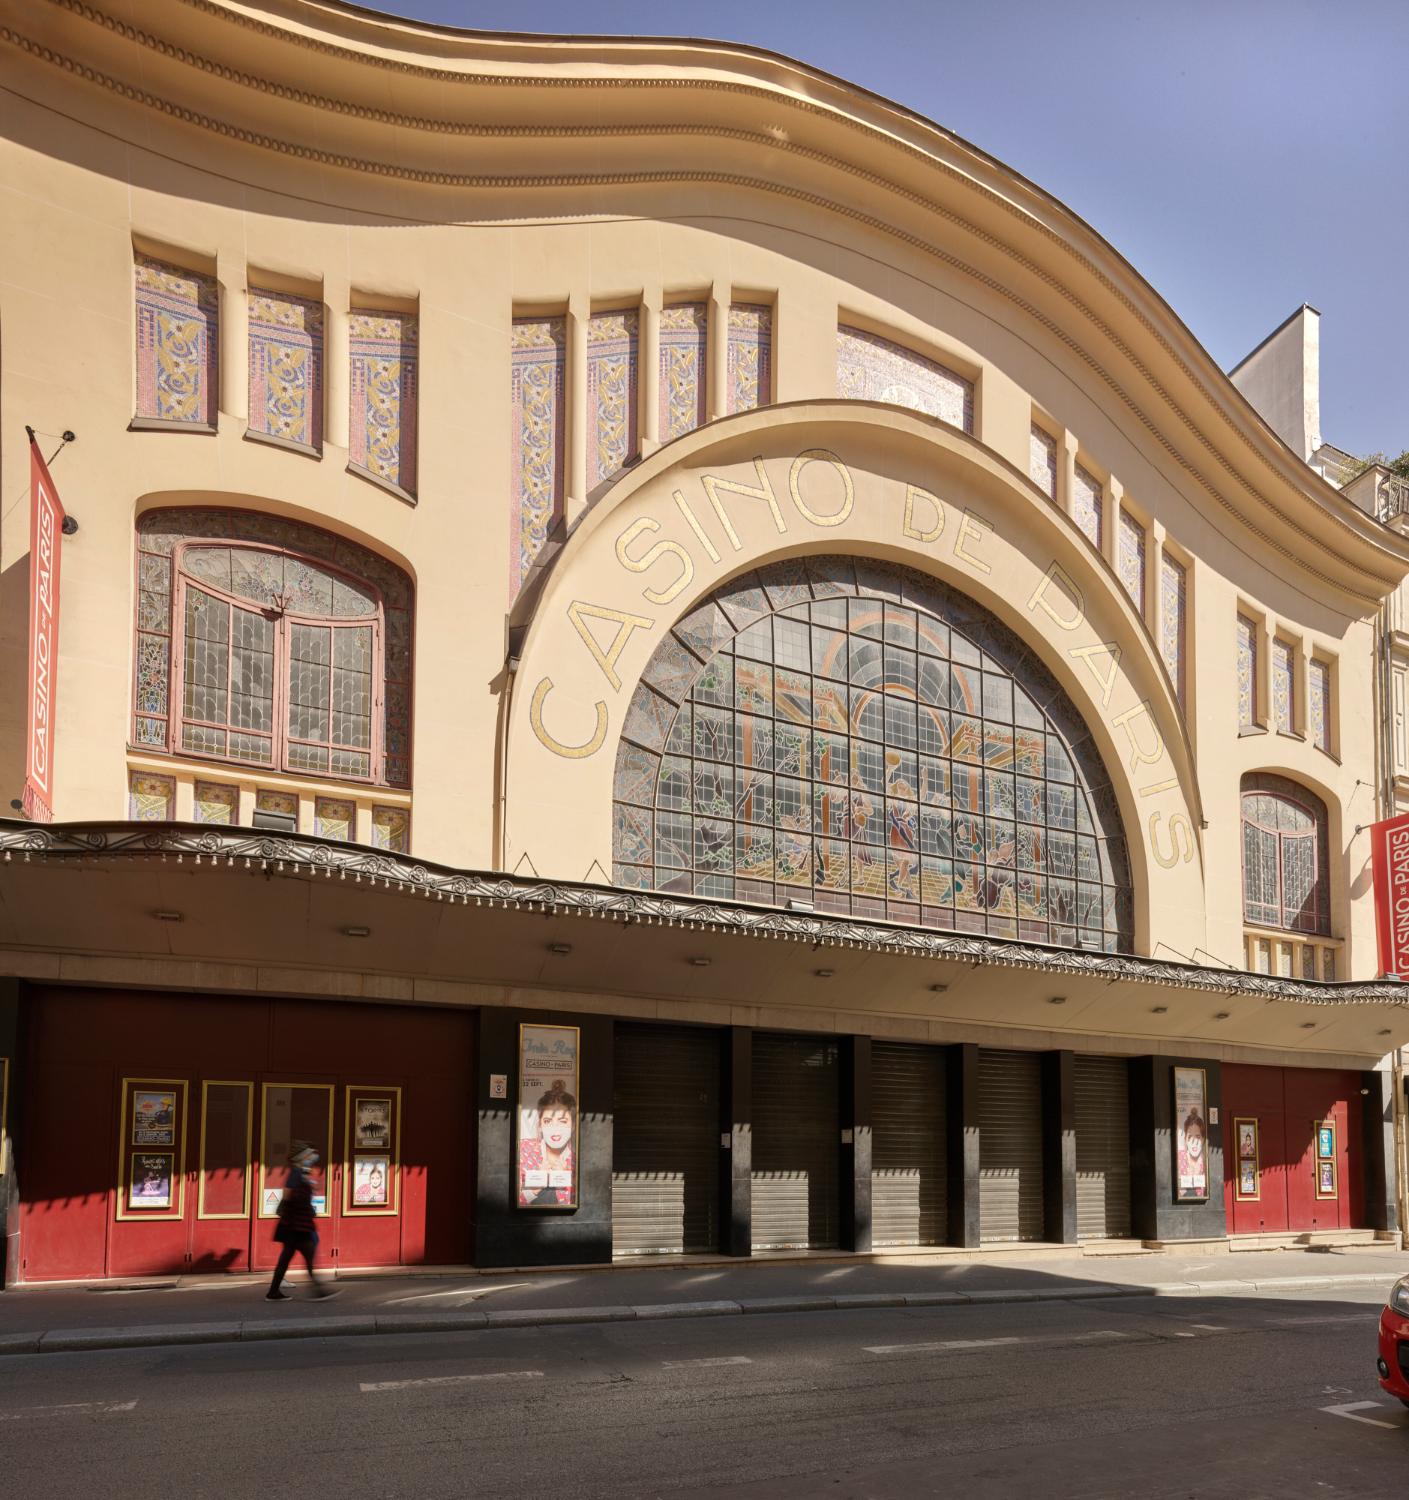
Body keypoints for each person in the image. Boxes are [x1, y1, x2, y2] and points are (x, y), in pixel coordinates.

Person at [266, 1145, 340, 1300]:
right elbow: (288, 1193)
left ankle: (273, 1292)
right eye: (309, 1155)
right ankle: (319, 1291)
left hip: (296, 1225)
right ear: (301, 1157)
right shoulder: (296, 1172)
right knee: (308, 1256)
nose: (312, 1157)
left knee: (287, 1258)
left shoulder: (302, 1172)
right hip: (298, 1225)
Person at [517, 1085, 576, 1206]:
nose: (555, 1128)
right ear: (540, 1125)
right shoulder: (523, 1150)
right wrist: (534, 1188)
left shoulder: (577, 1161)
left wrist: (565, 1180)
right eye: (548, 1121)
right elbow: (507, 1204)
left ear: (573, 1125)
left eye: (562, 1121)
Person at [1177, 1109, 1207, 1199]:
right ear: (1185, 1139)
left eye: (1197, 1136)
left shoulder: (1206, 1161)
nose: (1194, 1141)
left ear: (1203, 1139)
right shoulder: (1179, 1158)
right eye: (1190, 1137)